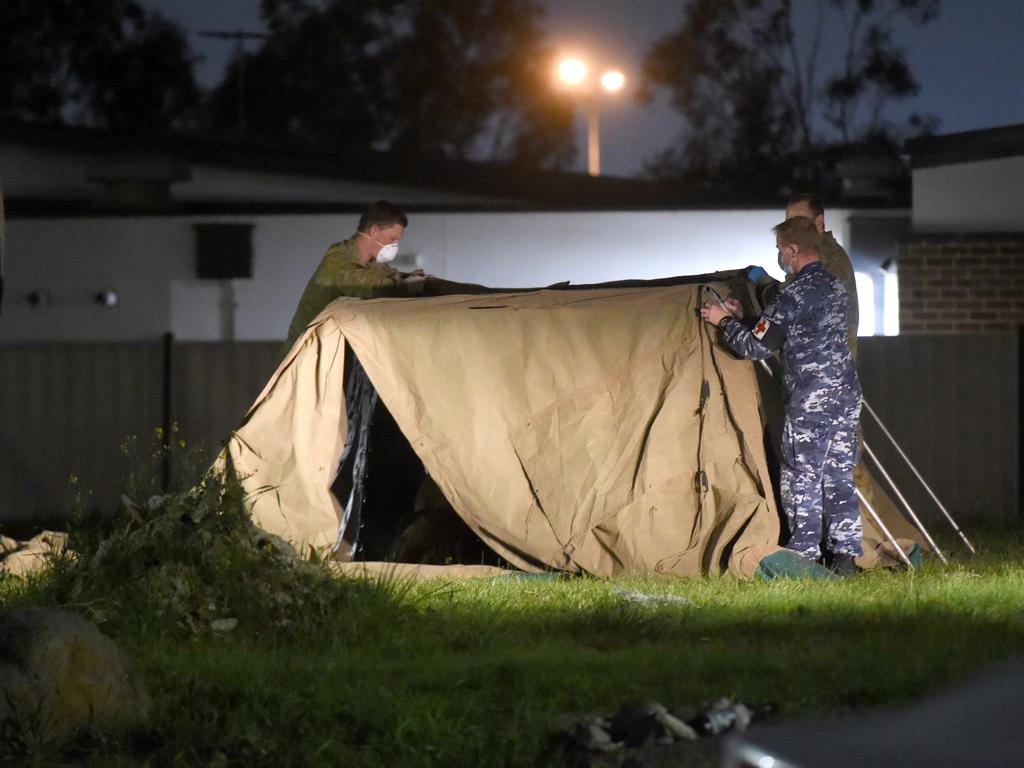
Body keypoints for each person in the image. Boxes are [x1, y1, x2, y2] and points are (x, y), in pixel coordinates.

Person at [700, 216, 863, 574]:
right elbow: (786, 322)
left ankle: (804, 554)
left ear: (792, 250)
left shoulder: (793, 293)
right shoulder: (833, 285)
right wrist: (747, 317)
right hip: (845, 394)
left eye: (779, 251)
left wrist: (722, 320)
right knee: (837, 474)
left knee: (801, 474)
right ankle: (845, 557)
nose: (778, 257)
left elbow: (757, 347)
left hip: (811, 396)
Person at [283, 200, 424, 350]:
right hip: (305, 352)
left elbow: (390, 277)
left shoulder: (369, 264)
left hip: (329, 347)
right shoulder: (338, 259)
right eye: (392, 239)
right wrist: (407, 285)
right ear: (374, 231)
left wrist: (417, 280)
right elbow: (368, 287)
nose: (395, 245)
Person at [785, 193, 859, 359]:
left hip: (824, 366)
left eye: (800, 222)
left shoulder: (823, 257)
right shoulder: (826, 252)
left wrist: (763, 283)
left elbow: (791, 303)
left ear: (818, 222)